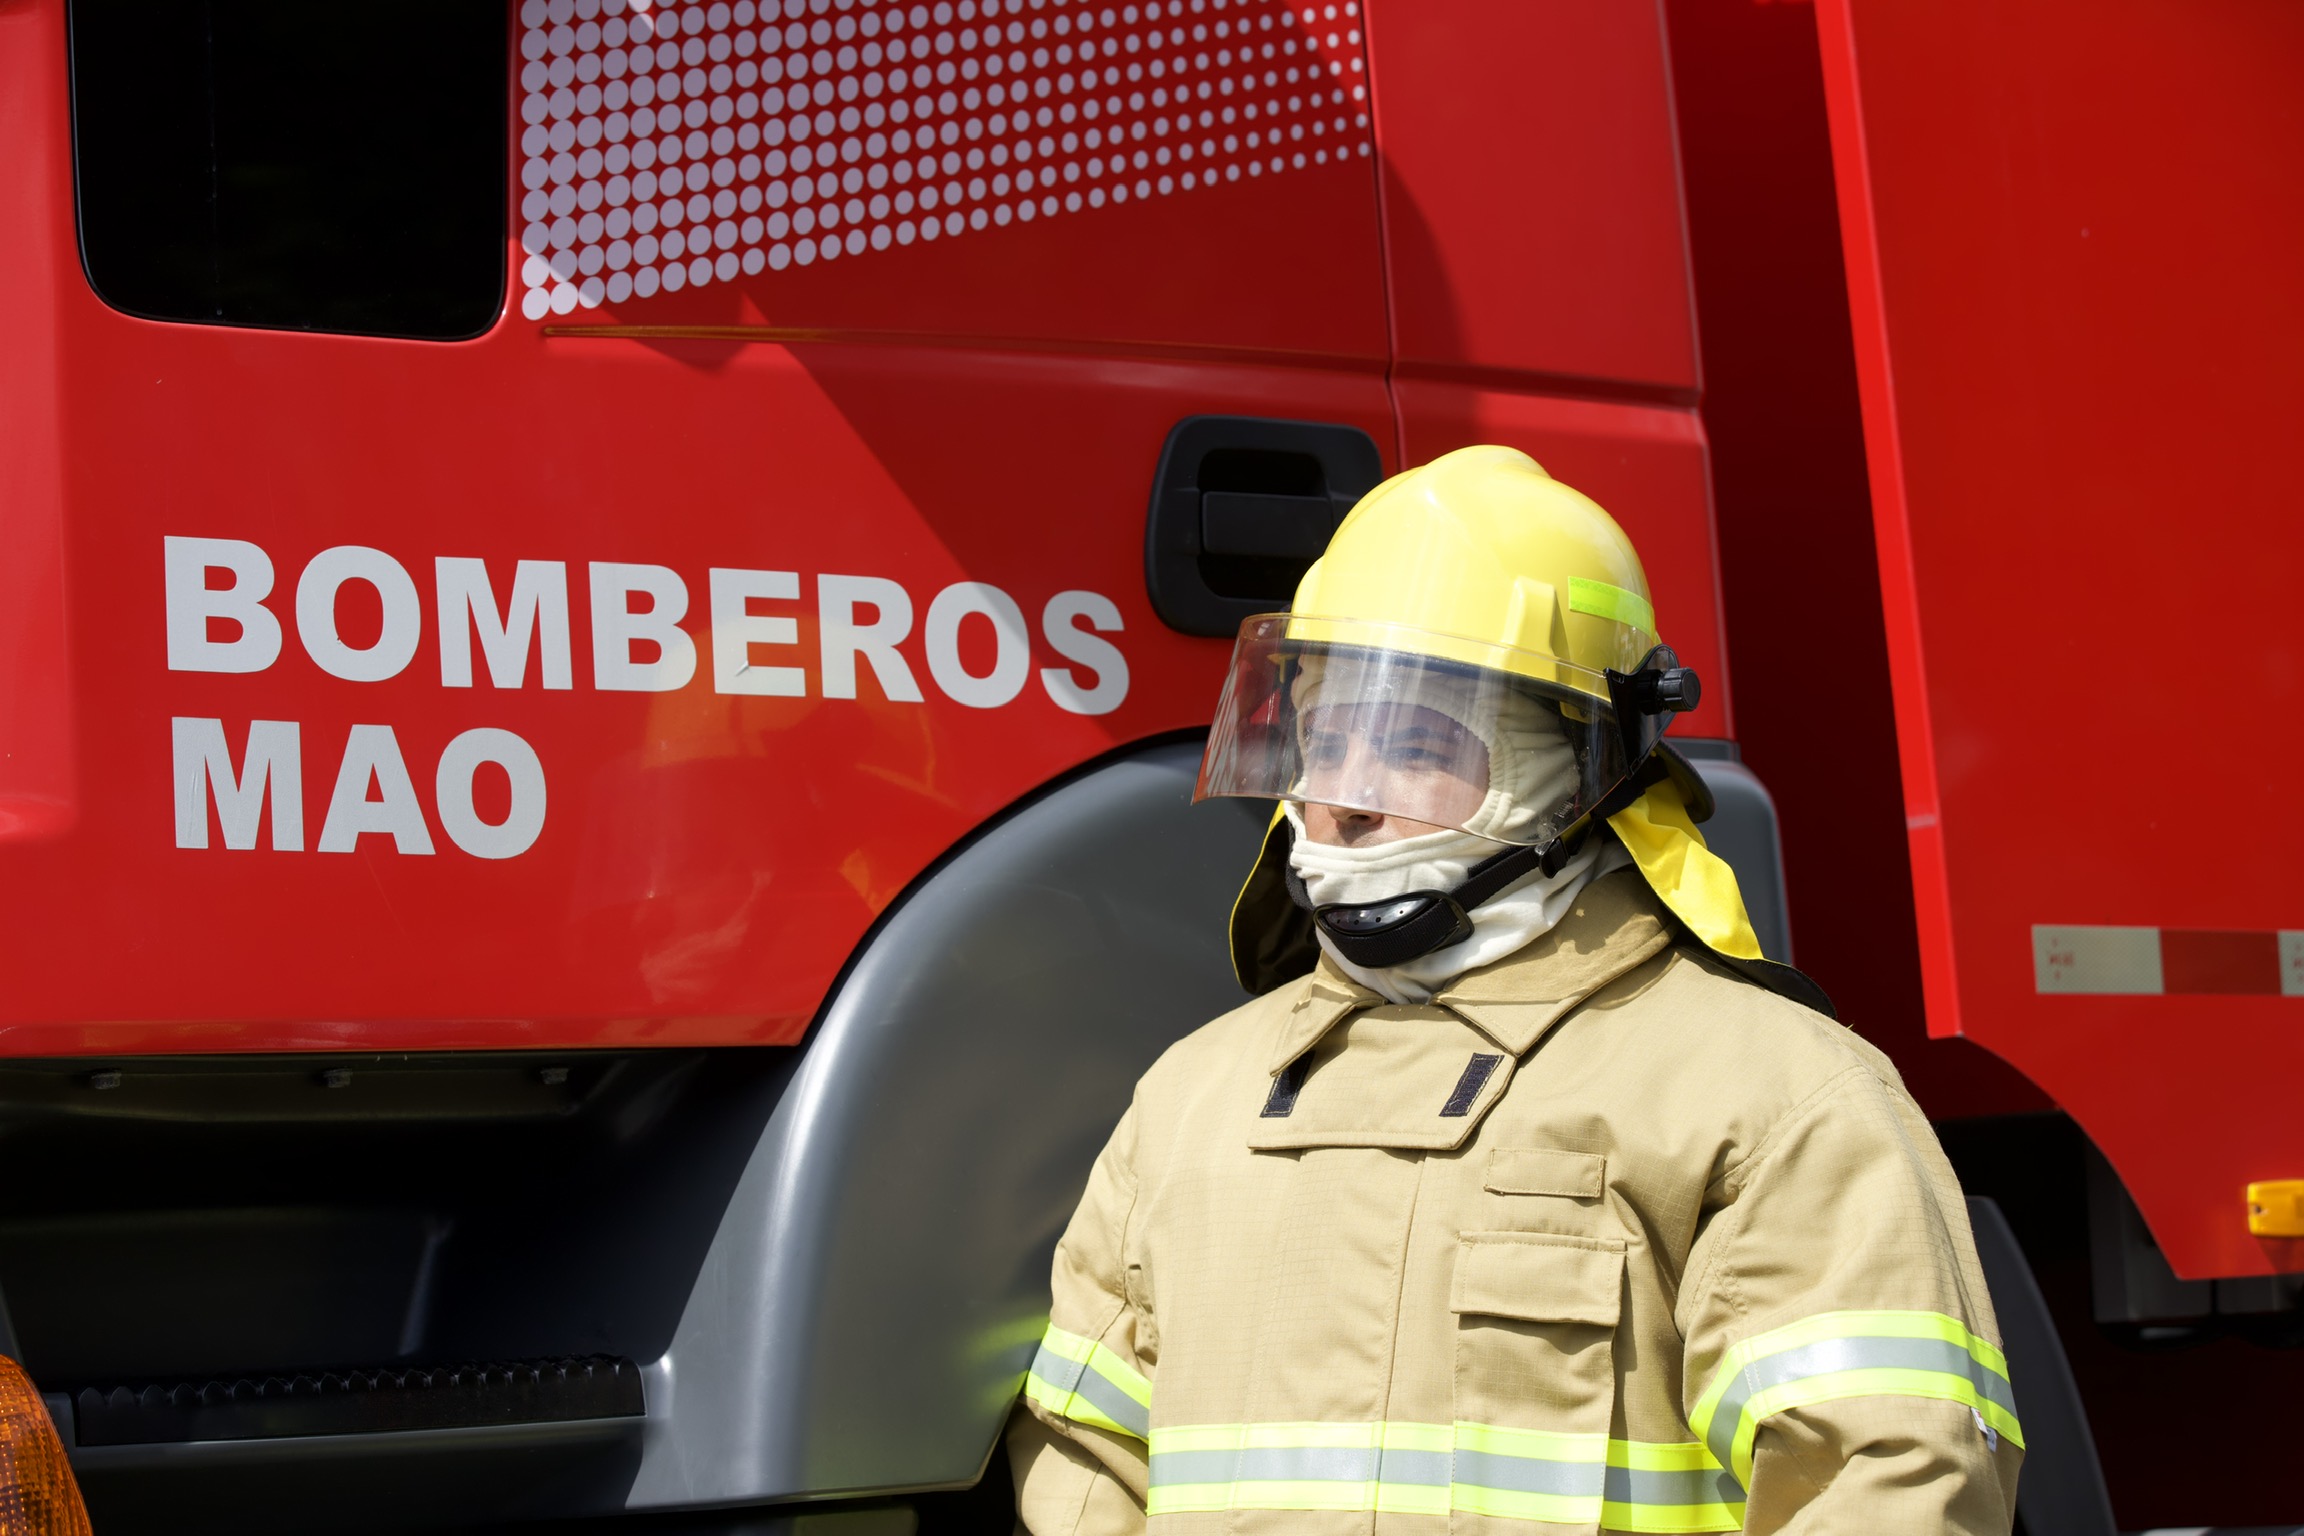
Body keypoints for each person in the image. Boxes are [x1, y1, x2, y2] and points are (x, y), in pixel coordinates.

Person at [1007, 446, 2022, 1535]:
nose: (1342, 801)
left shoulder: (1773, 1098)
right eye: (1325, 740)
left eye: (1413, 745)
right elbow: (1086, 1468)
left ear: (1571, 778)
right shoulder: (1189, 1099)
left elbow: (1886, 1486)